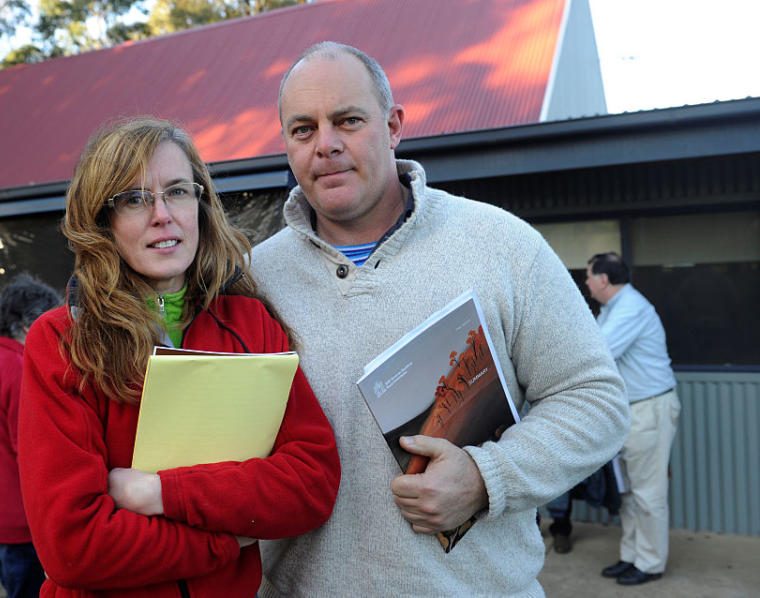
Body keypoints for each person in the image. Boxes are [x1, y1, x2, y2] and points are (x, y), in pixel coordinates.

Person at [250, 41, 629, 596]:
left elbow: (595, 399)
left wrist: (485, 477)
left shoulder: (502, 245)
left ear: (394, 125)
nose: (325, 145)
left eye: (348, 120)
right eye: (303, 129)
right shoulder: (255, 277)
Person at [16, 117, 340, 597]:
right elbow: (74, 547)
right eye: (133, 199)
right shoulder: (63, 341)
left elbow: (311, 483)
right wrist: (230, 538)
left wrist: (160, 494)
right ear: (100, 222)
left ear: (200, 205)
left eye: (177, 192)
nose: (162, 215)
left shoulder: (251, 323)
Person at [586, 251, 681, 586]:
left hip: (648, 408)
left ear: (603, 280)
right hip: (630, 411)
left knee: (648, 493)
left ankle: (650, 563)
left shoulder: (630, 308)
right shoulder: (612, 309)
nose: (586, 283)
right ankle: (632, 556)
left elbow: (599, 353)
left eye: (588, 277)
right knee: (627, 492)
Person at [0, 272, 61, 598]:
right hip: (21, 515)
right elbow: (33, 449)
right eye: (47, 322)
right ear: (26, 326)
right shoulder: (20, 369)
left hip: (0, 508)